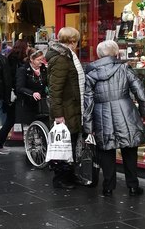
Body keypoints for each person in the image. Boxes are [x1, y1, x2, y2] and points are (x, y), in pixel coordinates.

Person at [83, 39, 145, 197]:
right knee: (129, 149)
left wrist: (89, 127)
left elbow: (88, 103)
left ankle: (108, 187)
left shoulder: (91, 73)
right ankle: (133, 186)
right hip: (126, 113)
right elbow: (140, 92)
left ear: (99, 54)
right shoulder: (124, 68)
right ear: (115, 53)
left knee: (106, 151)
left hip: (101, 115)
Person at [45, 26, 89, 189]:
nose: (77, 44)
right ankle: (61, 178)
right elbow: (55, 89)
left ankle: (69, 175)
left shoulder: (67, 56)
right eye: (76, 40)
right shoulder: (62, 59)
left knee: (70, 142)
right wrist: (58, 114)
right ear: (72, 41)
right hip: (66, 109)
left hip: (72, 107)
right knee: (64, 143)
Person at [0, 39, 29, 152]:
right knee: (11, 119)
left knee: (11, 119)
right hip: (14, 94)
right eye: (27, 46)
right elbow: (14, 79)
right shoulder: (17, 62)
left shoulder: (9, 58)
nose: (28, 48)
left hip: (10, 94)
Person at [14, 49, 49, 127]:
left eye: (42, 59)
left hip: (41, 104)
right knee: (29, 128)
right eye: (38, 60)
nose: (41, 62)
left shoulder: (44, 69)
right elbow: (19, 88)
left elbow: (47, 83)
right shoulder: (23, 70)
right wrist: (32, 93)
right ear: (31, 59)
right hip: (27, 104)